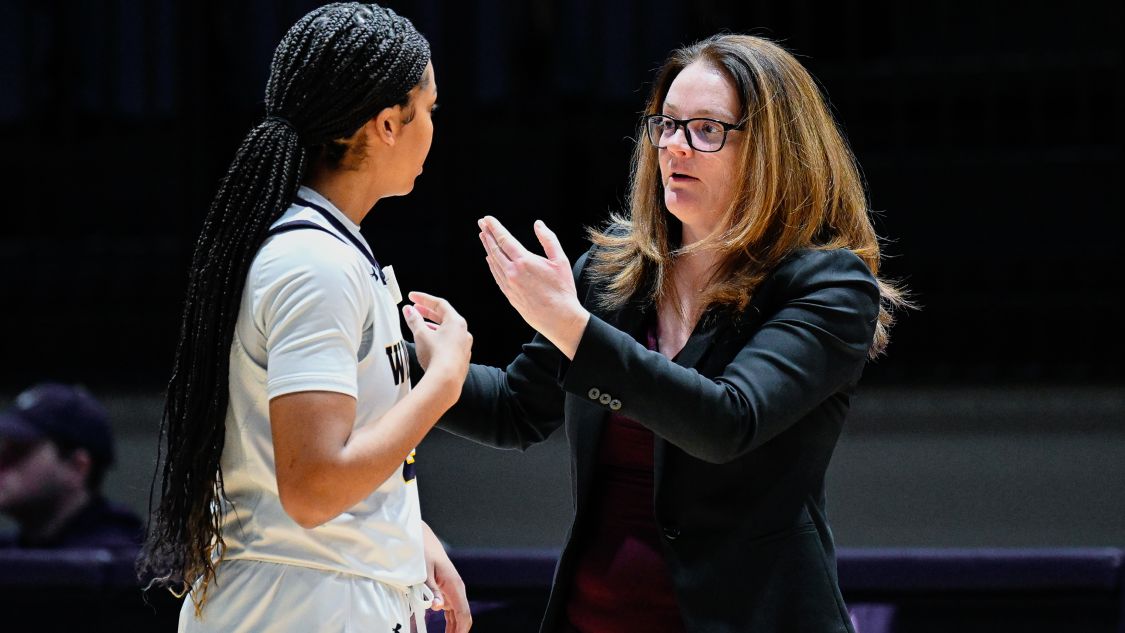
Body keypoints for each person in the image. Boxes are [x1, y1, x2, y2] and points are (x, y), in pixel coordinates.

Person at [411, 34, 910, 632]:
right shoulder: (613, 275)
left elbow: (728, 421)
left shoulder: (825, 285)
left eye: (706, 129)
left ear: (774, 150)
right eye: (667, 125)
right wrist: (412, 360)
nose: (675, 147)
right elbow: (518, 408)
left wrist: (572, 327)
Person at [136, 4, 473, 632]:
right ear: (386, 126)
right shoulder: (313, 262)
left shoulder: (324, 247)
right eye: (428, 109)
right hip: (300, 608)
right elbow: (313, 487)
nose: (434, 127)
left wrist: (407, 534)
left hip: (312, 596)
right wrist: (443, 383)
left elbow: (305, 463)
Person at [0, 382, 143, 551]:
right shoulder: (14, 550)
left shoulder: (121, 561)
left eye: (19, 451)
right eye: (4, 450)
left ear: (78, 466)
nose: (2, 463)